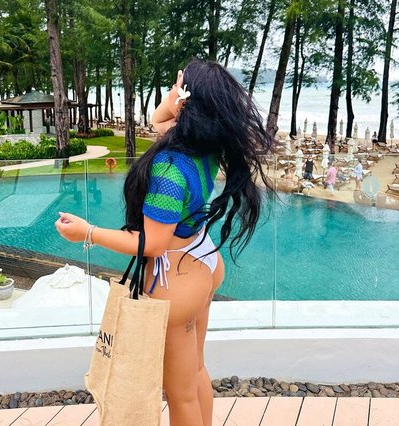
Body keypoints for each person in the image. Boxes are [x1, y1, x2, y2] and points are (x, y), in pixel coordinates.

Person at [55, 60, 273, 426]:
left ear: (186, 100)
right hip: (203, 261)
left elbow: (153, 244)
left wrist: (87, 232)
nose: (170, 91)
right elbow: (158, 121)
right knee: (196, 372)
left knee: (180, 395)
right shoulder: (203, 144)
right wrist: (177, 99)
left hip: (176, 281)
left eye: (176, 85)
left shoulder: (170, 166)